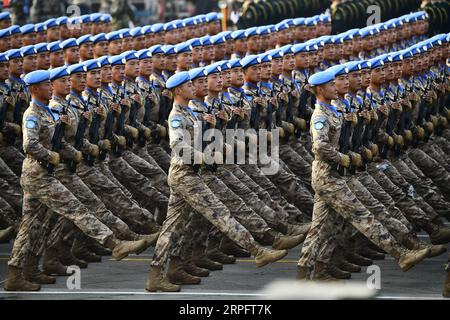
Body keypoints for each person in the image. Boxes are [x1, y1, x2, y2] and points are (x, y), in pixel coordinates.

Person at [145, 71, 288, 292]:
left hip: (193, 173)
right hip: (186, 175)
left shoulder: (190, 113)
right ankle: (258, 251)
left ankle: (164, 273)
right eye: (189, 85)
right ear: (178, 91)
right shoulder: (177, 116)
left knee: (175, 227)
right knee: (220, 213)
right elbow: (178, 146)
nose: (193, 87)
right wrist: (202, 157)